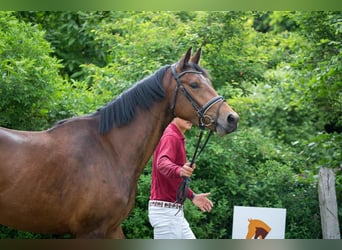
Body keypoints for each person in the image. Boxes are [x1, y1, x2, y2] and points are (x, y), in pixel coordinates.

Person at [148, 117, 213, 239]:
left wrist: (192, 196)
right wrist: (180, 170)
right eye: (184, 116)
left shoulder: (175, 136)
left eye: (190, 116)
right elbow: (162, 163)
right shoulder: (171, 136)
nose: (190, 119)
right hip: (166, 214)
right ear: (173, 116)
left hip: (172, 212)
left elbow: (173, 180)